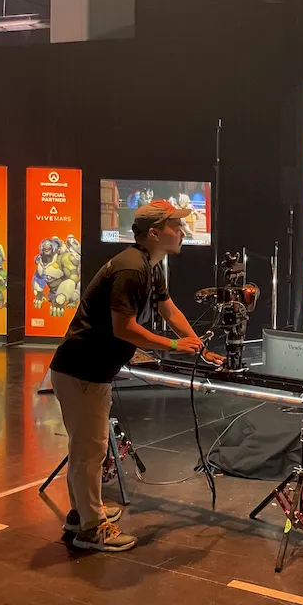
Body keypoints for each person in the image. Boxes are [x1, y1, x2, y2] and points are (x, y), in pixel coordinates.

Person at [48, 200, 224, 552]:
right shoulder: (131, 269)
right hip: (81, 371)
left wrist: (199, 347)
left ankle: (83, 513)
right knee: (89, 451)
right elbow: (124, 328)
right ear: (154, 233)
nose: (183, 231)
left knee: (89, 449)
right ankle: (91, 529)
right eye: (175, 225)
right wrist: (173, 345)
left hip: (90, 371)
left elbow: (168, 309)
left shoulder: (149, 266)